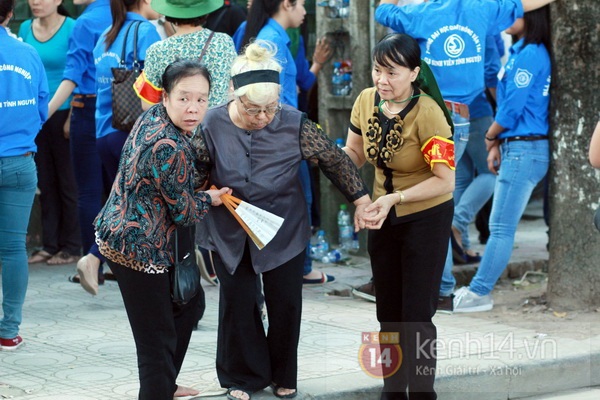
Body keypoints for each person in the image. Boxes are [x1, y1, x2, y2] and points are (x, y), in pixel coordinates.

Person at [197, 41, 371, 400]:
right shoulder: (211, 122)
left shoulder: (294, 124)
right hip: (230, 225)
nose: (262, 117)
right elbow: (195, 170)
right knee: (239, 301)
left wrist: (361, 200)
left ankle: (282, 374)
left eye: (270, 108)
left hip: (282, 225)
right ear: (233, 95)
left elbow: (334, 161)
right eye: (253, 109)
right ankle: (243, 377)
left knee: (285, 301)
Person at [353, 0, 557, 304]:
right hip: (467, 113)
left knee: (438, 196)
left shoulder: (420, 14)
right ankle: (443, 280)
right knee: (447, 191)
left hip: (433, 116)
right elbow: (522, 5)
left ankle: (443, 284)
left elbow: (382, 11)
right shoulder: (482, 10)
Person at [94, 59, 230, 399]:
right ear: (166, 96)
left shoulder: (151, 117)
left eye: (201, 99)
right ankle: (158, 388)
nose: (193, 108)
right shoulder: (167, 146)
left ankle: (165, 382)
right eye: (184, 98)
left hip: (122, 233)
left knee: (189, 305)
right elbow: (184, 212)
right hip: (138, 251)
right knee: (156, 341)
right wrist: (210, 198)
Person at [342, 33, 455, 399]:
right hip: (382, 217)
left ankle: (423, 394)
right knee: (388, 314)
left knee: (417, 317)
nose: (382, 80)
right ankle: (392, 392)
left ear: (413, 73)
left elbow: (445, 180)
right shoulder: (366, 101)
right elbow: (355, 154)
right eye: (378, 70)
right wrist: (328, 160)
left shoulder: (429, 113)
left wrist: (396, 198)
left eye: (392, 72)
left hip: (426, 216)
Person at [454, 5, 552, 313]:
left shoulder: (532, 54)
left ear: (533, 17)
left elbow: (512, 109)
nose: (508, 15)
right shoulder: (524, 51)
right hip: (518, 146)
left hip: (525, 149)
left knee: (500, 227)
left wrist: (490, 136)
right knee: (500, 226)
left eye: (516, 10)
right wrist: (497, 143)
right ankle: (478, 290)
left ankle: (479, 293)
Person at [236, 0, 335, 285]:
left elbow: (300, 82)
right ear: (286, 4)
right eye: (302, 4)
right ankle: (299, 267)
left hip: (279, 132)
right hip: (280, 134)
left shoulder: (271, 34)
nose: (305, 11)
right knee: (297, 200)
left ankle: (291, 265)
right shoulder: (271, 40)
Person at [73, 0, 162, 295]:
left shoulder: (107, 35)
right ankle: (96, 256)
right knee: (137, 207)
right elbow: (160, 84)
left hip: (105, 133)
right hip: (132, 133)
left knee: (124, 205)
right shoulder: (144, 30)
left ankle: (119, 268)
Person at [47, 0, 112, 285]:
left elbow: (73, 75)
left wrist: (41, 115)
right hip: (121, 111)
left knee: (88, 191)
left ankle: (93, 263)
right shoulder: (128, 15)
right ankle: (120, 263)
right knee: (118, 190)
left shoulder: (86, 22)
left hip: (88, 108)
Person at [0, 0, 49, 350]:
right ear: (9, 14)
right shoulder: (27, 54)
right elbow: (41, 105)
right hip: (20, 160)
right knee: (14, 247)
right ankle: (9, 329)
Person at [19, 0, 80, 266]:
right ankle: (50, 244)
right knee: (44, 181)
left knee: (68, 182)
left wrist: (73, 116)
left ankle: (72, 246)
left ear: (59, 1)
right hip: (34, 117)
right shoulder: (23, 28)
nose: (36, 2)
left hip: (64, 114)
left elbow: (80, 72)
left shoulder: (72, 27)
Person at [135, 0, 236, 110]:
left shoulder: (157, 51)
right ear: (206, 10)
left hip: (176, 125)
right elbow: (233, 90)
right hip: (215, 124)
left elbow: (148, 104)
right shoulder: (224, 42)